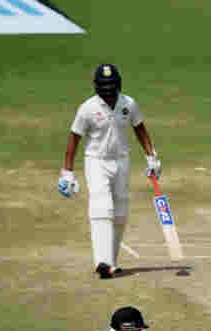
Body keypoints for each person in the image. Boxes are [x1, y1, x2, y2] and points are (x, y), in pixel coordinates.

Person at [60, 63, 161, 279]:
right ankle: (102, 262)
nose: (108, 92)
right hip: (96, 161)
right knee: (102, 207)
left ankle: (112, 261)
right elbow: (74, 138)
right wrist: (67, 172)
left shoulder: (128, 104)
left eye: (111, 87)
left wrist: (152, 157)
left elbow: (140, 129)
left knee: (120, 212)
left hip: (121, 160)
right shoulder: (87, 108)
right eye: (104, 87)